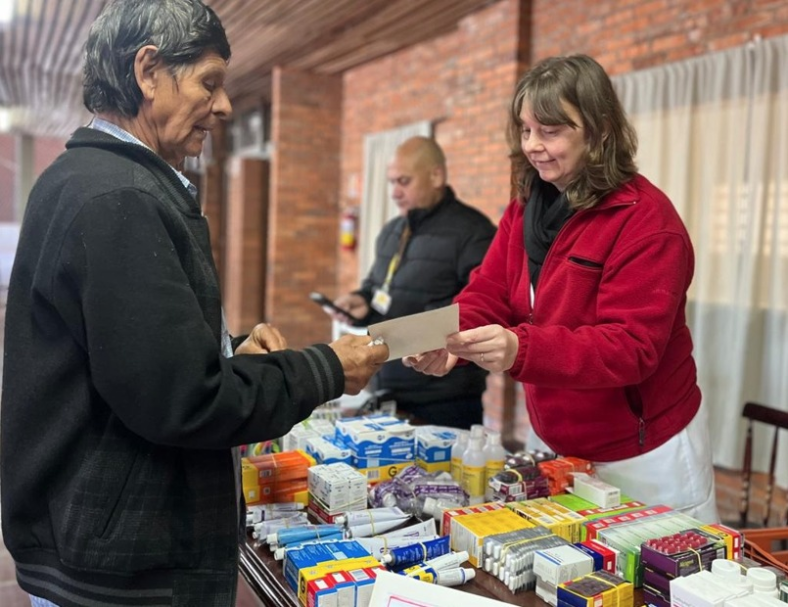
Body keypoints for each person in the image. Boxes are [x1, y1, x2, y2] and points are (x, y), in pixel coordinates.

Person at [0, 1, 388, 606]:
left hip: (97, 544)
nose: (225, 105)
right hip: (118, 568)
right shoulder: (118, 197)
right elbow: (182, 399)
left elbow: (132, 359)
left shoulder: (92, 180)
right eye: (209, 82)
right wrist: (326, 368)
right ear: (148, 71)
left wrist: (227, 358)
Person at [404, 54, 718, 522]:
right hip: (557, 441)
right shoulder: (526, 206)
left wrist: (520, 349)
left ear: (600, 130)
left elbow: (631, 348)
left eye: (550, 131)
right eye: (525, 130)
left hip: (644, 453)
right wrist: (448, 337)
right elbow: (489, 290)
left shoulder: (647, 222)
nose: (533, 145)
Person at [331, 136, 496, 429]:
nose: (395, 192)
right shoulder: (392, 231)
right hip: (388, 389)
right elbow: (377, 288)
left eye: (404, 181)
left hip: (445, 400)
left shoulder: (474, 233)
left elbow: (483, 310)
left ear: (436, 176)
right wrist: (361, 303)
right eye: (391, 182)